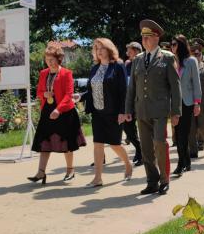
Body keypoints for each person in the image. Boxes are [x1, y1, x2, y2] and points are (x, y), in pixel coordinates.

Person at [122, 19, 181, 195]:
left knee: (160, 144)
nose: (145, 40)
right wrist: (127, 110)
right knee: (146, 148)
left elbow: (175, 87)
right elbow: (132, 87)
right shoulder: (138, 60)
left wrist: (176, 112)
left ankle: (164, 179)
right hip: (142, 111)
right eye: (143, 37)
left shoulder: (168, 58)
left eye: (148, 37)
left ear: (156, 37)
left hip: (160, 111)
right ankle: (151, 181)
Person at [77, 38, 133, 187]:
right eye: (96, 48)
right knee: (97, 144)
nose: (99, 51)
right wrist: (80, 96)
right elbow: (91, 90)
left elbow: (123, 91)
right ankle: (98, 178)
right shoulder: (94, 68)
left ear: (109, 49)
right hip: (97, 113)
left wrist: (123, 112)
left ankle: (127, 164)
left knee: (115, 144)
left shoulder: (118, 66)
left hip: (114, 113)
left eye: (101, 47)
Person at [28, 42, 86, 184]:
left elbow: (69, 95)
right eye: (47, 60)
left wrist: (58, 109)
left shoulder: (67, 73)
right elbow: (39, 92)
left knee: (67, 142)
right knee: (44, 142)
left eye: (52, 60)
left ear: (58, 59)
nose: (49, 62)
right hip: (47, 112)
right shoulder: (43, 74)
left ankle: (70, 170)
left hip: (65, 111)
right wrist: (44, 94)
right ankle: (41, 173)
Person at [171, 35, 201, 176]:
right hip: (174, 103)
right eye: (171, 44)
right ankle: (187, 162)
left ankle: (180, 164)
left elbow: (196, 82)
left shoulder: (191, 61)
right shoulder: (171, 60)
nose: (172, 47)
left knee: (183, 134)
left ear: (181, 45)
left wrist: (197, 103)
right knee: (178, 134)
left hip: (188, 102)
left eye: (174, 44)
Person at [124, 42, 143, 166]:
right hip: (130, 101)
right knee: (128, 128)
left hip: (142, 101)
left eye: (129, 52)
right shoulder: (128, 65)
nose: (127, 54)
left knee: (145, 129)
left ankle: (144, 154)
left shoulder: (144, 62)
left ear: (136, 51)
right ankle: (139, 149)